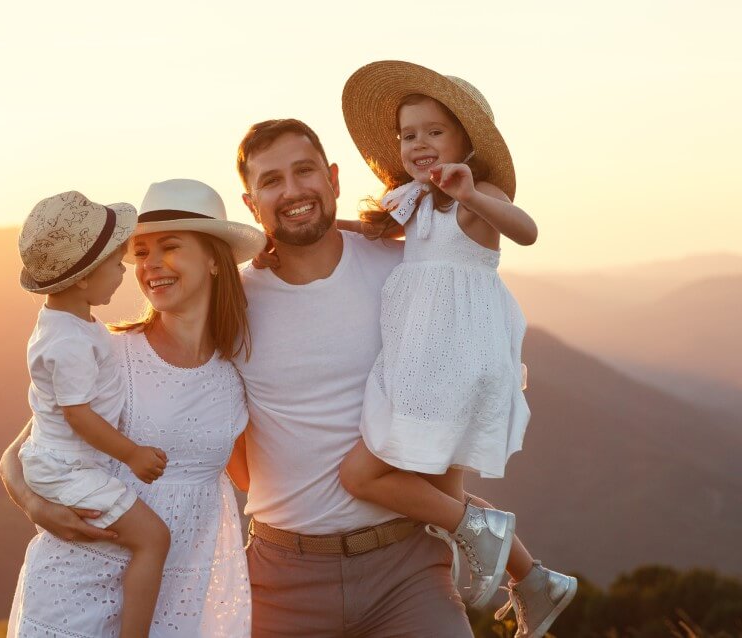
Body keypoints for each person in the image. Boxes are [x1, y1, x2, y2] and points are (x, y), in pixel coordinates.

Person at [333, 61, 575, 637]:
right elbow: (370, 232)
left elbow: (526, 230)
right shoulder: (416, 200)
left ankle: (516, 566)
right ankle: (535, 581)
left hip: (454, 363)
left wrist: (472, 192)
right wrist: (301, 233)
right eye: (408, 134)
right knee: (448, 505)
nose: (418, 143)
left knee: (364, 475)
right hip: (421, 358)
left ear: (465, 139)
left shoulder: (474, 195)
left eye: (433, 131)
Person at [228, 116, 478, 636]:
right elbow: (157, 376)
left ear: (334, 179)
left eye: (305, 171)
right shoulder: (230, 302)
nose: (293, 190)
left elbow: (458, 380)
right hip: (282, 580)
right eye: (271, 181)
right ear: (251, 205)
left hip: (407, 569)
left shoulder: (403, 268)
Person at [3, 179, 267, 637]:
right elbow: (19, 452)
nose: (151, 265)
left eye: (169, 247)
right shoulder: (109, 352)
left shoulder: (240, 368)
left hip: (185, 585)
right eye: (140, 252)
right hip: (79, 586)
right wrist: (33, 504)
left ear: (213, 259)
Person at [13, 190, 169, 638]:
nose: (124, 271)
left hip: (56, 460)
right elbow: (79, 418)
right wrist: (133, 454)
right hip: (65, 469)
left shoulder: (68, 322)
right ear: (83, 278)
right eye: (116, 263)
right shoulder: (71, 344)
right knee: (153, 539)